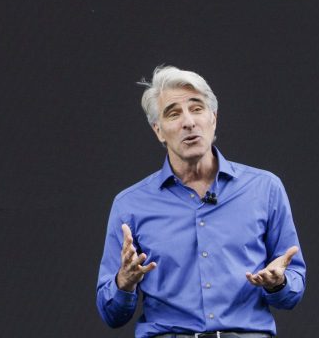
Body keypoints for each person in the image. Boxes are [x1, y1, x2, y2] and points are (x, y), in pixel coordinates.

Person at [96, 65, 305, 336]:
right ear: (158, 130)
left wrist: (279, 283)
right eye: (174, 113)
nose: (189, 122)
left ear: (214, 118)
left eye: (197, 109)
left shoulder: (265, 189)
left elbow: (293, 290)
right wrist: (123, 282)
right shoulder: (130, 204)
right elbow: (111, 313)